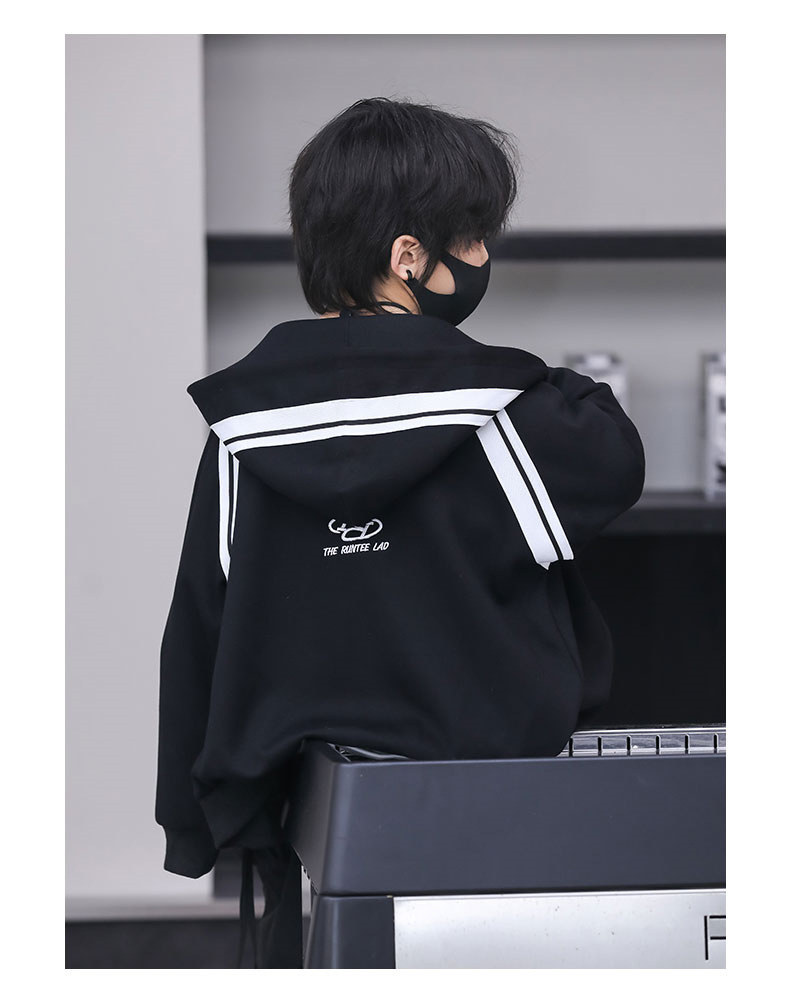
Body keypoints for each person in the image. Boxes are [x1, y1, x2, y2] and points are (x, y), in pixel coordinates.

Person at [154, 96, 645, 968]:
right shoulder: (505, 415)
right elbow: (616, 456)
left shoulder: (241, 429)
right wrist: (506, 373)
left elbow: (199, 623)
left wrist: (193, 828)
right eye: (473, 236)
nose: (484, 257)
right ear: (409, 256)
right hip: (496, 808)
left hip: (314, 817)